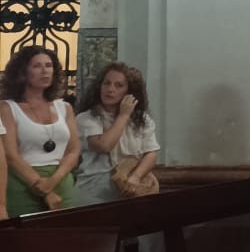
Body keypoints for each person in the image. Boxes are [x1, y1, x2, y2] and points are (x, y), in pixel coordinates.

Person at [3, 45, 79, 215]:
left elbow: (73, 151)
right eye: (37, 66)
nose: (45, 71)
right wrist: (41, 187)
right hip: (23, 182)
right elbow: (11, 155)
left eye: (49, 65)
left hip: (60, 179)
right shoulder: (8, 108)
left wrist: (53, 181)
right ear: (23, 72)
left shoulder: (64, 108)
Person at [74, 61, 161, 207]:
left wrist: (136, 176)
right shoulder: (87, 118)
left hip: (129, 192)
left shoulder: (143, 120)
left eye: (118, 85)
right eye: (106, 83)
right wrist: (123, 116)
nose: (110, 89)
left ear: (129, 92)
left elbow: (151, 154)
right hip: (94, 193)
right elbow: (104, 145)